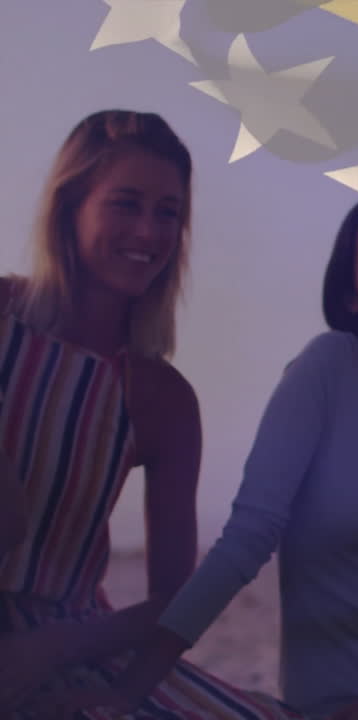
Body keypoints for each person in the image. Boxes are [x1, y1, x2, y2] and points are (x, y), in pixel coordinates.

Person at [65, 186, 358, 719]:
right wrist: (131, 687)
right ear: (352, 296)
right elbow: (247, 539)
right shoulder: (329, 370)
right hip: (320, 707)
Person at [0, 110, 298, 719]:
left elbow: (172, 597)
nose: (148, 231)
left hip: (72, 642)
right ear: (70, 205)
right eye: (126, 203)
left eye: (169, 213)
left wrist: (59, 651)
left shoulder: (161, 396)